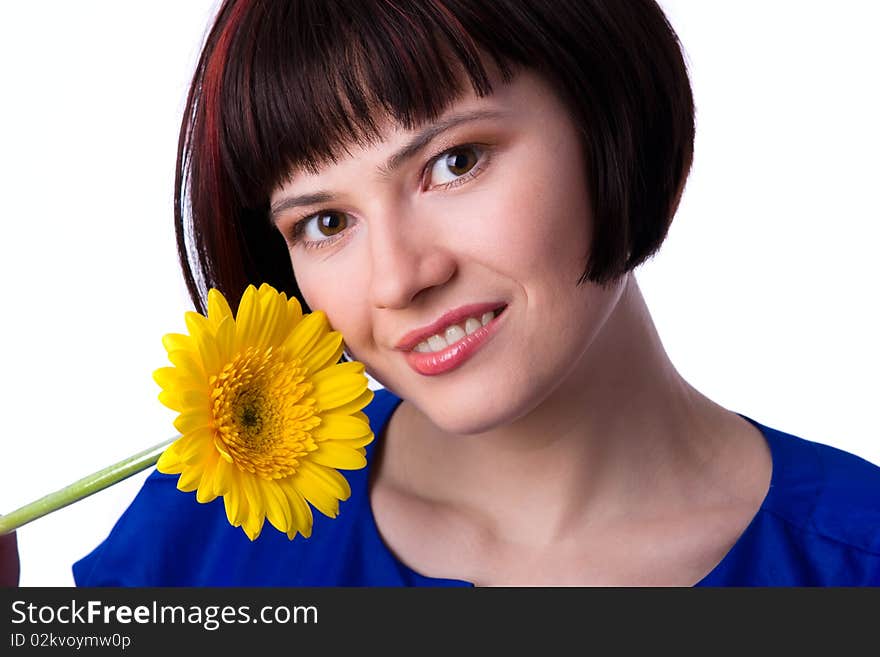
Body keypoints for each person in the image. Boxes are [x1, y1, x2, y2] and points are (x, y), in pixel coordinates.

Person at [66, 0, 880, 586]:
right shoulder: (216, 529)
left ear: (608, 107)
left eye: (454, 162)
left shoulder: (852, 562)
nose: (398, 278)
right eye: (324, 222)